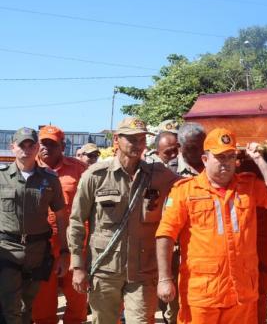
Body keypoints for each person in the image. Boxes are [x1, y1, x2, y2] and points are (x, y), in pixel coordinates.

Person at [156, 127, 267, 323]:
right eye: (220, 157)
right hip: (203, 296)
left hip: (242, 294)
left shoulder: (248, 186)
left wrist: (259, 160)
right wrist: (164, 279)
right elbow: (165, 234)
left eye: (230, 157)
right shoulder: (185, 191)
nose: (226, 163)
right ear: (205, 159)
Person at [68, 117, 180, 323]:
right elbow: (76, 222)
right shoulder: (95, 176)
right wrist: (77, 266)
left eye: (141, 139)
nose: (138, 144)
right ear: (117, 139)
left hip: (143, 272)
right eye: (132, 139)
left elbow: (191, 184)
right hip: (104, 270)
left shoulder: (159, 175)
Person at [0, 128, 69, 324]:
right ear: (12, 147)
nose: (27, 149)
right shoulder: (1, 177)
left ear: (37, 148)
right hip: (7, 250)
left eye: (31, 145)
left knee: (26, 307)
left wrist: (64, 251)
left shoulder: (49, 179)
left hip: (37, 252)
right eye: (22, 145)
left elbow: (61, 216)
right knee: (8, 307)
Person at [31, 126, 89, 324]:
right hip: (42, 247)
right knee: (43, 305)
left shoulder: (79, 169)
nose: (46, 148)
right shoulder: (28, 168)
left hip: (75, 246)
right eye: (43, 143)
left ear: (63, 146)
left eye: (52, 144)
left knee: (77, 299)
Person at [157, 123, 205, 324]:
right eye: (191, 148)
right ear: (180, 147)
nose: (197, 152)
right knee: (174, 305)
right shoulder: (169, 171)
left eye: (200, 147)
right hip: (176, 249)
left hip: (202, 247)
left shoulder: (212, 167)